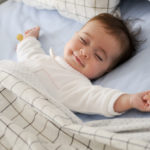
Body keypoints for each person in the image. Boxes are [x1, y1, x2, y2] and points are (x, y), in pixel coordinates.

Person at [14, 13, 150, 117]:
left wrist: (131, 100)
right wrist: (29, 38)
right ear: (75, 34)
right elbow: (28, 52)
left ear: (107, 71)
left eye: (98, 56)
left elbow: (100, 100)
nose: (84, 52)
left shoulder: (76, 85)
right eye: (83, 40)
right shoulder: (41, 59)